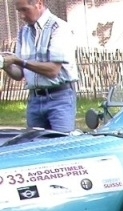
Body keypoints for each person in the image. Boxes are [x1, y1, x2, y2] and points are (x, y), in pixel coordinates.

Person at [0, 0, 79, 133]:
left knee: (60, 144)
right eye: (19, 11)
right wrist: (6, 64)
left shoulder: (59, 28)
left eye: (25, 10)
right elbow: (19, 74)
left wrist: (19, 61)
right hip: (35, 99)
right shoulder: (23, 32)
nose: (22, 16)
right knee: (34, 146)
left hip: (60, 98)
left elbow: (53, 70)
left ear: (39, 3)